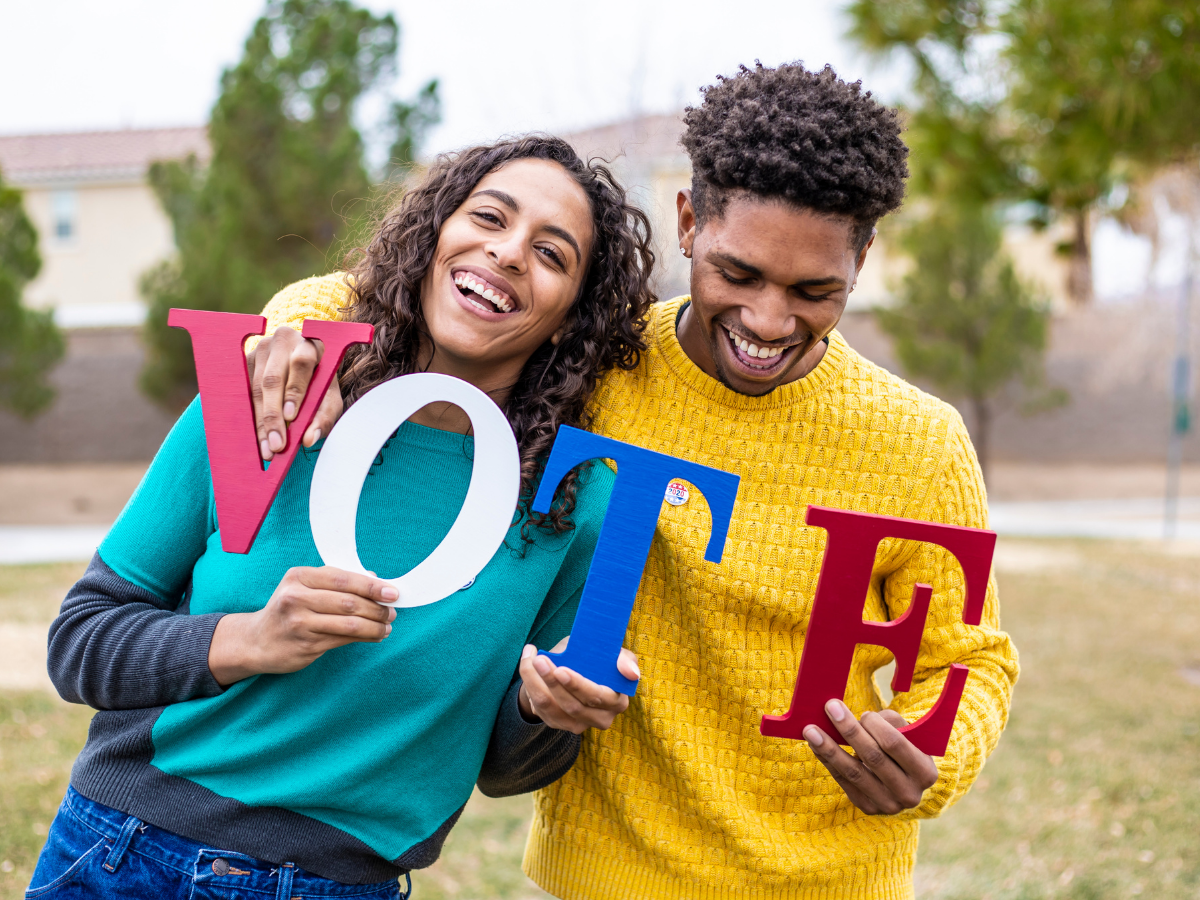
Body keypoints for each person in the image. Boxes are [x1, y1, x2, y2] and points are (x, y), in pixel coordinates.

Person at [248, 62, 1020, 899]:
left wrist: (933, 755)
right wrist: (294, 323)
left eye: (813, 291)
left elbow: (968, 656)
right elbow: (407, 295)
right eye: (739, 274)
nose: (768, 320)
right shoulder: (588, 366)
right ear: (688, 222)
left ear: (863, 258)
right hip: (600, 877)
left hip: (827, 881)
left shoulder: (919, 441)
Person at [30, 135, 653, 900]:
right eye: (489, 217)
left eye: (553, 255)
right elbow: (80, 641)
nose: (509, 252)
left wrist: (540, 709)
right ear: (433, 238)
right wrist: (249, 639)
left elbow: (503, 767)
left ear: (569, 320)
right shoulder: (270, 399)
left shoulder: (571, 503)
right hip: (123, 856)